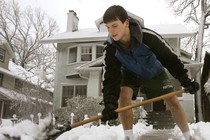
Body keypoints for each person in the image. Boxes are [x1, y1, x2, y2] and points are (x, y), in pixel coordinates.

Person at [101, 5, 199, 140]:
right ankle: (128, 137)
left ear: (126, 23)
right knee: (124, 96)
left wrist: (185, 80)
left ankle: (189, 137)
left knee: (172, 100)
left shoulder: (148, 37)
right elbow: (110, 77)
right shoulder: (111, 48)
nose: (111, 31)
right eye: (108, 27)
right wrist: (110, 103)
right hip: (130, 72)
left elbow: (169, 58)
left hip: (155, 72)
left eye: (114, 25)